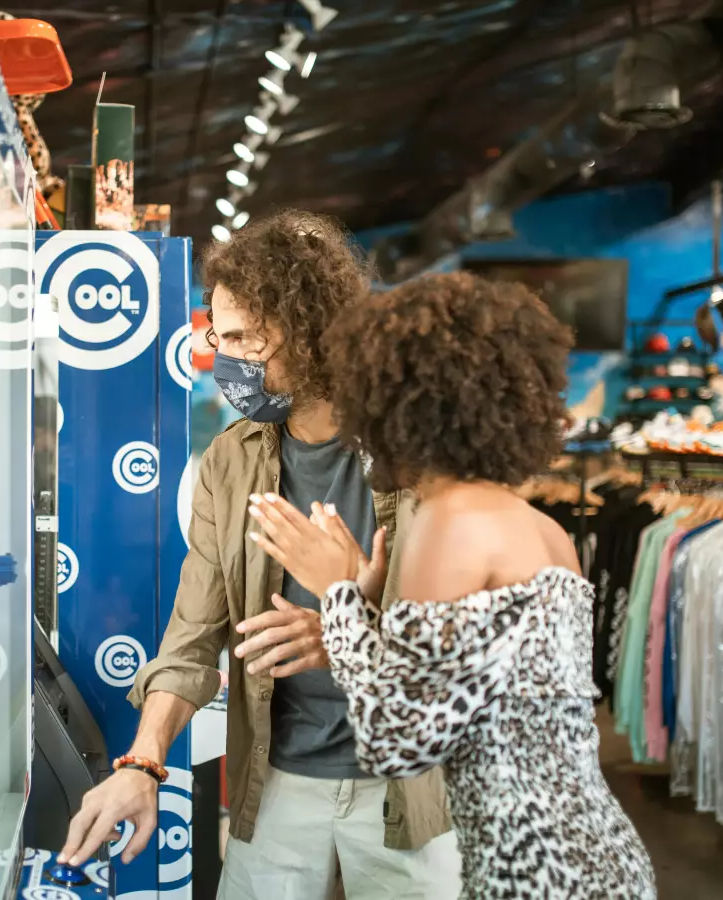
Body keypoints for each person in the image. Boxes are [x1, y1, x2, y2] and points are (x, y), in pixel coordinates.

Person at [60, 210, 460, 899]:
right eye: (221, 336)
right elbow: (191, 642)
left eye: (247, 338)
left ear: (311, 331)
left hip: (410, 791)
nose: (227, 359)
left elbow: (469, 636)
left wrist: (345, 631)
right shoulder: (229, 461)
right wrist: (144, 763)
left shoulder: (421, 453)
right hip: (277, 784)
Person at [247, 272, 656, 898]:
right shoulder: (540, 528)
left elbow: (395, 741)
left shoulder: (450, 523)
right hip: (600, 857)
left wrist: (339, 598)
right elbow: (466, 695)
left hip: (535, 872)